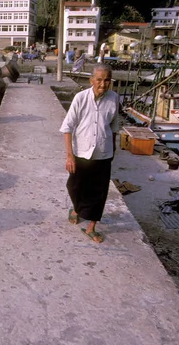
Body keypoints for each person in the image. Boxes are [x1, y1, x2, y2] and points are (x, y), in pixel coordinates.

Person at [59, 64, 120, 243]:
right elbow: (67, 127)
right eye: (99, 79)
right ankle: (77, 209)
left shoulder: (114, 98)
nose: (103, 84)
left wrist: (114, 148)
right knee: (74, 186)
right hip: (82, 152)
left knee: (99, 192)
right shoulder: (81, 98)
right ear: (91, 80)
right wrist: (69, 156)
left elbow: (114, 126)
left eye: (107, 80)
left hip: (103, 152)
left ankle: (91, 226)